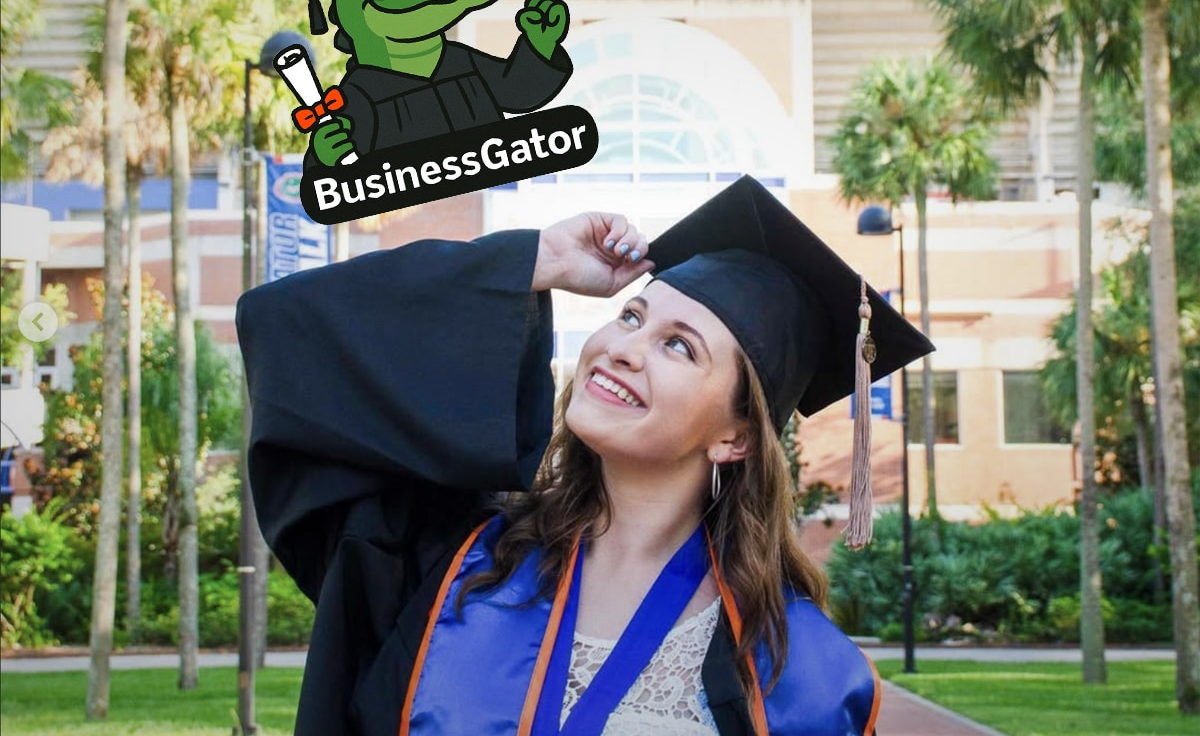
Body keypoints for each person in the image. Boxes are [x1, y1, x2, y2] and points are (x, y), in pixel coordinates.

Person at [236, 175, 933, 735]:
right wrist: (533, 260)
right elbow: (289, 329)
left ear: (736, 436)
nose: (624, 346)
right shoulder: (451, 566)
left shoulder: (802, 675)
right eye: (632, 315)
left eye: (678, 346)